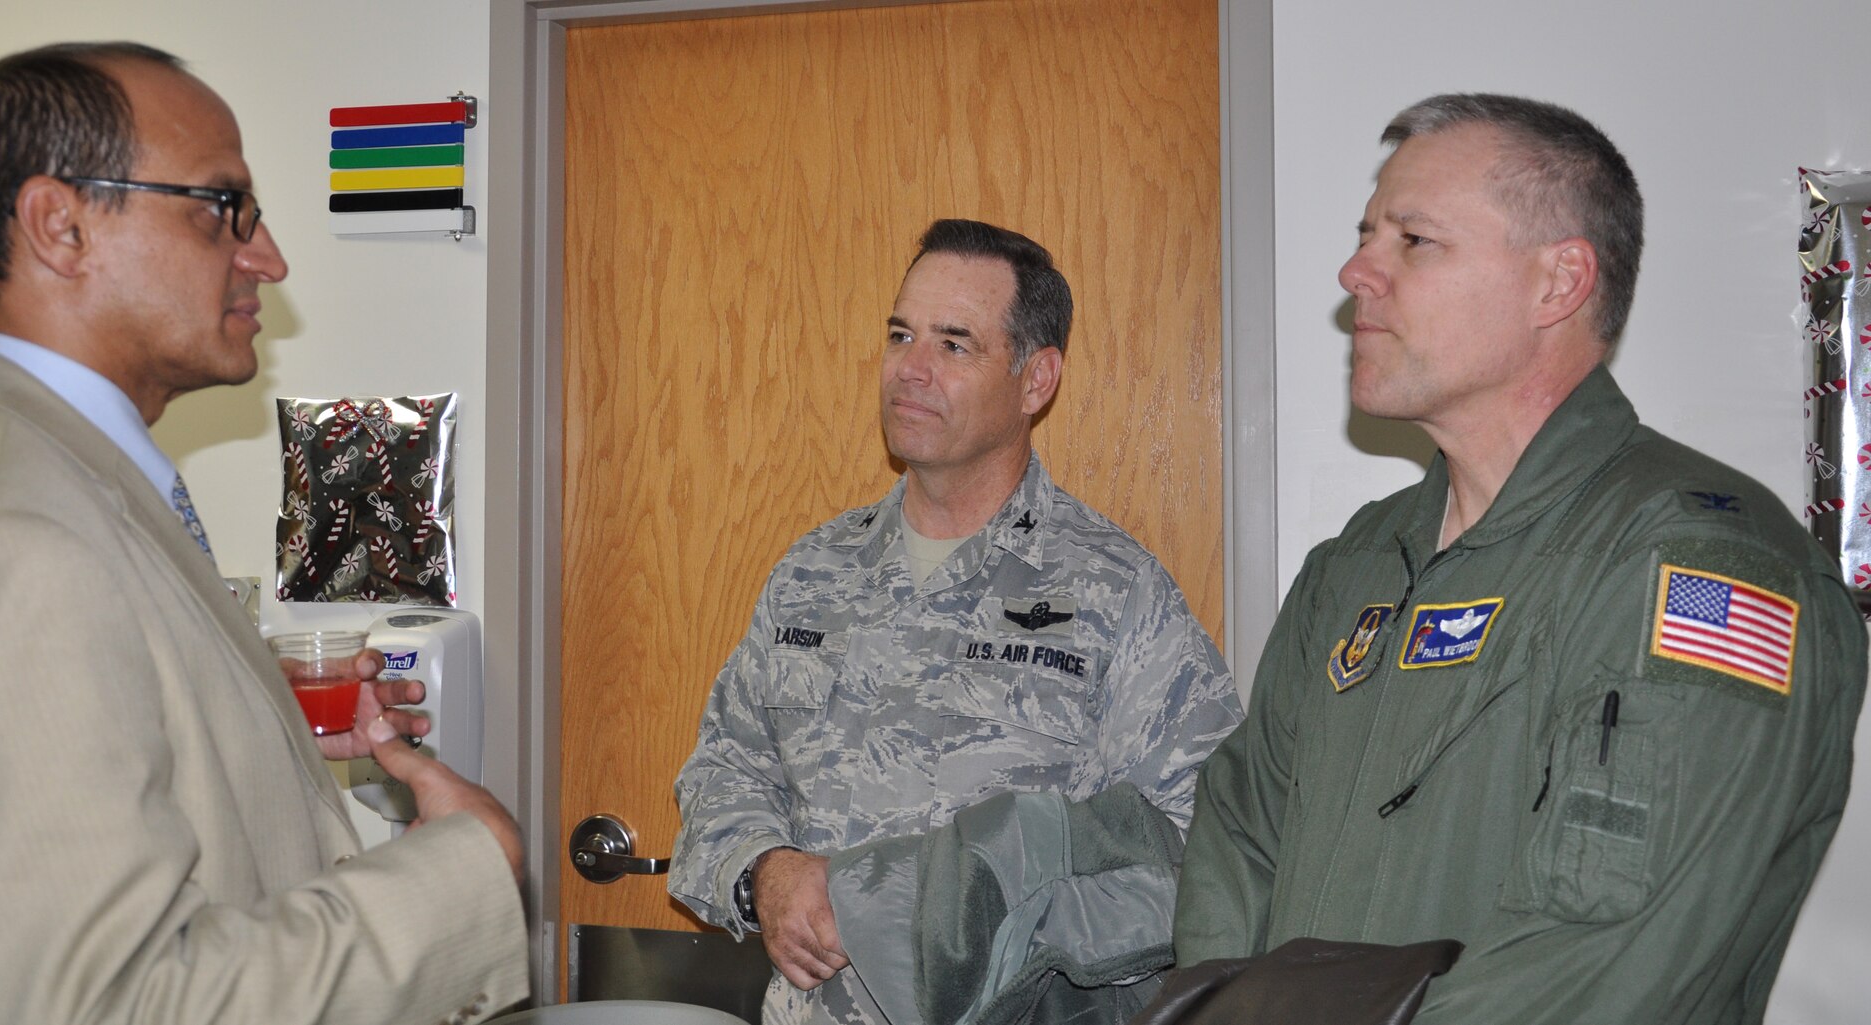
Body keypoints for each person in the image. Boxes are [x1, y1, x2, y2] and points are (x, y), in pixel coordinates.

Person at [1172, 93, 1867, 1023]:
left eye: (1413, 239)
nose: (1356, 272)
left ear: (1558, 282)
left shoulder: (1705, 566)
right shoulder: (1357, 565)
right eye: (1365, 234)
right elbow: (1239, 846)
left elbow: (1605, 965)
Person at [0, 43, 528, 1025]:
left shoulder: (35, 481)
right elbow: (108, 1004)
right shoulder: (7, 543)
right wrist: (461, 869)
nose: (268, 257)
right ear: (62, 226)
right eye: (224, 208)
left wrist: (245, 721)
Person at [669, 219, 1243, 1024]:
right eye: (901, 334)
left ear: (1036, 379)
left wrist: (1001, 933)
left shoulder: (1114, 592)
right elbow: (725, 765)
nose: (911, 369)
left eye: (954, 344)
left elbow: (1208, 848)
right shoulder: (813, 572)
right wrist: (762, 869)